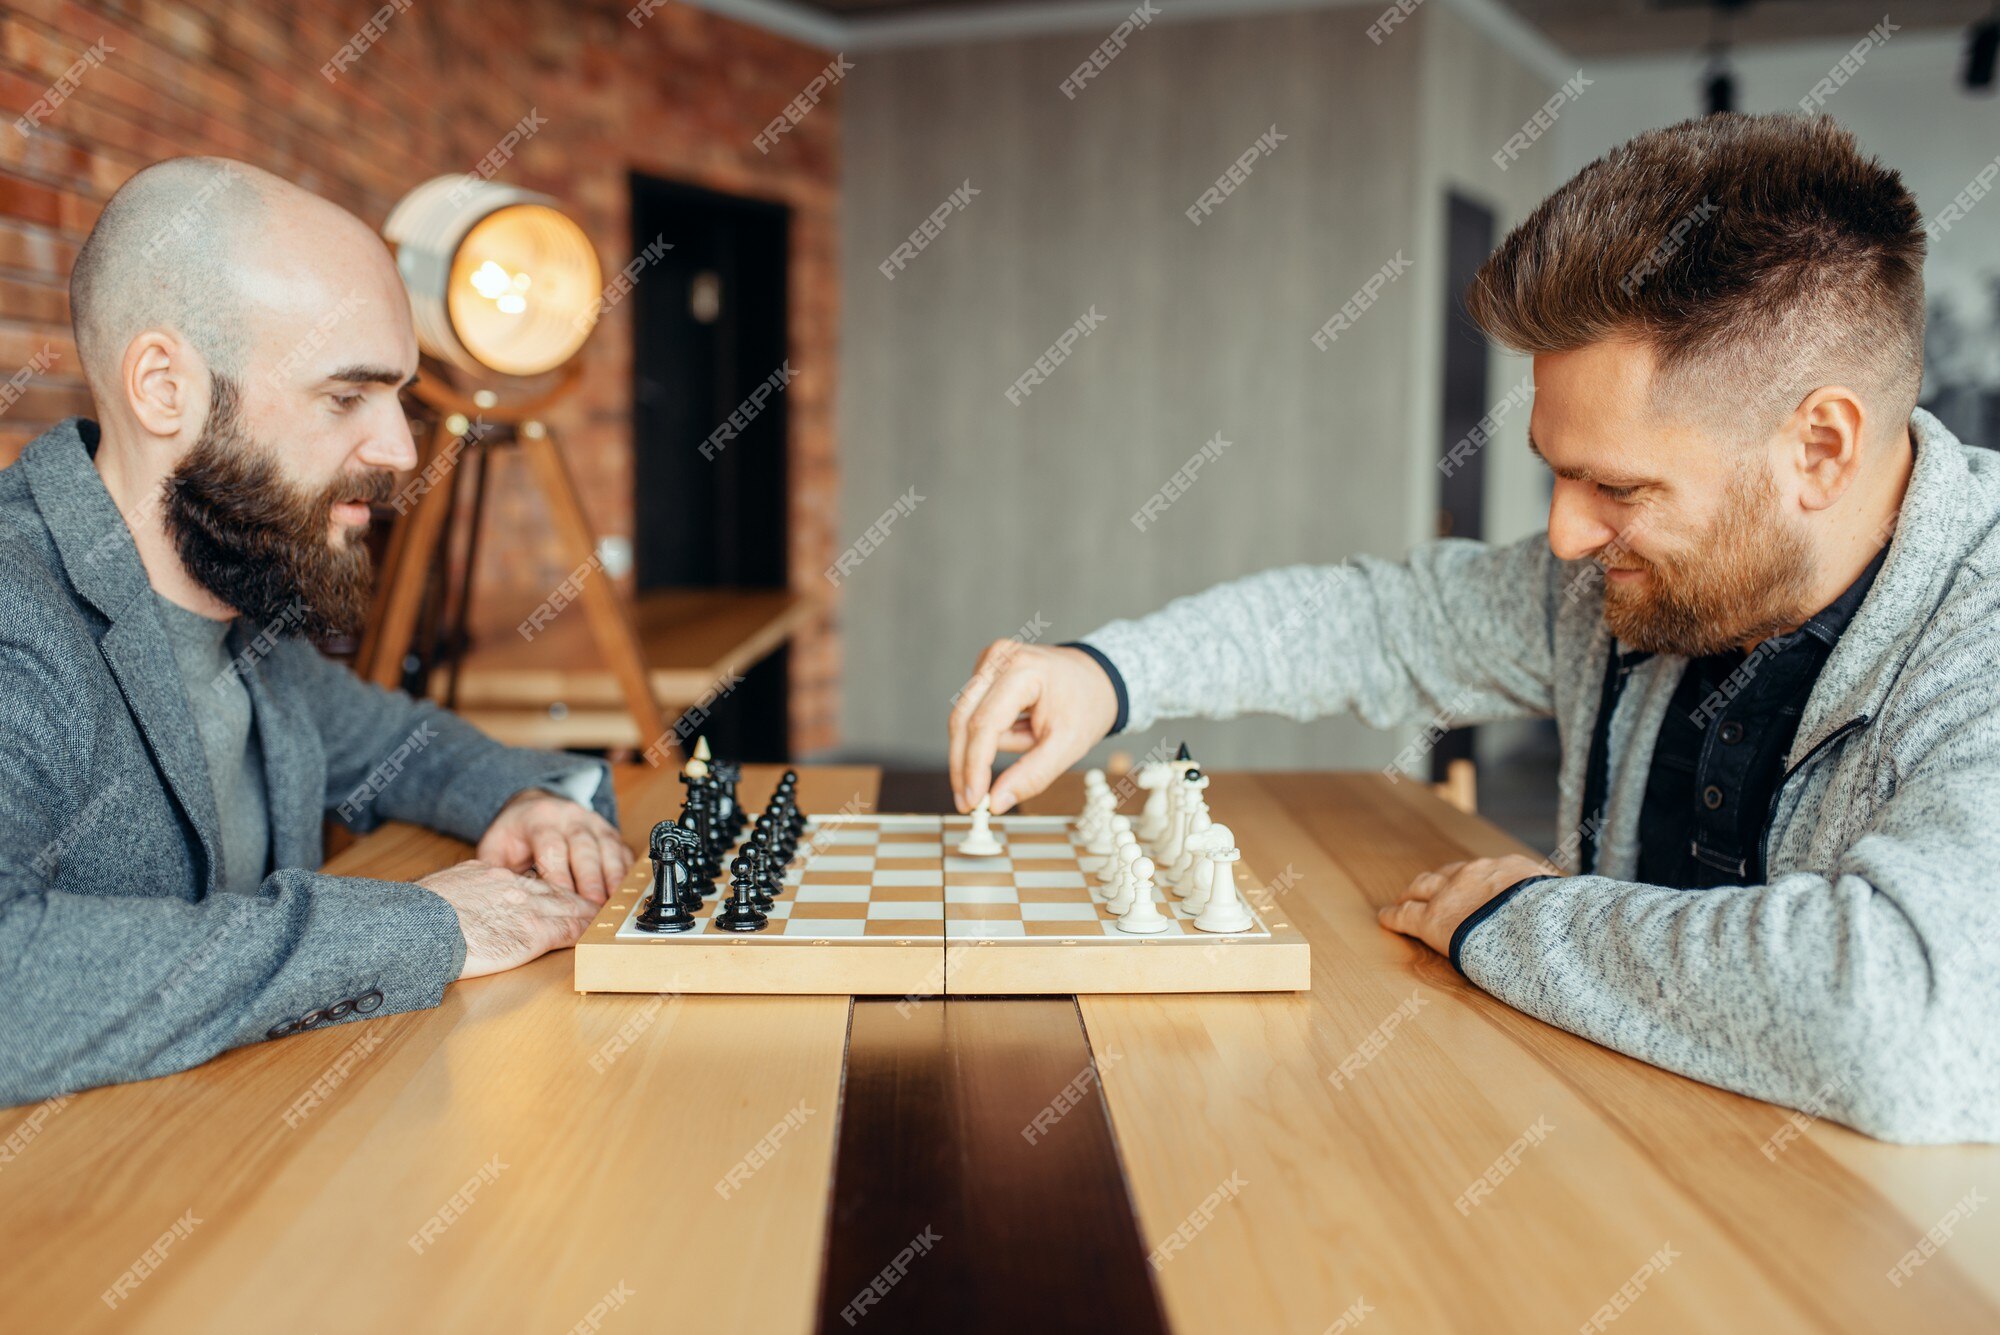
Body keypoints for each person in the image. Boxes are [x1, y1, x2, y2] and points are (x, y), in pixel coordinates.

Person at [946, 114, 2000, 1144]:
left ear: (1818, 447)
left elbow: (1902, 1017)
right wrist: (1107, 671)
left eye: (1614, 485)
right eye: (1555, 471)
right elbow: (1383, 621)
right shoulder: (1620, 580)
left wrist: (1517, 922)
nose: (1563, 534)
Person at [0, 158, 633, 1104]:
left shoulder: (237, 598)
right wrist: (424, 924)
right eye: (345, 398)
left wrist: (523, 800)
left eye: (402, 399)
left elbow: (396, 743)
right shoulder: (18, 613)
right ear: (164, 387)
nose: (402, 453)